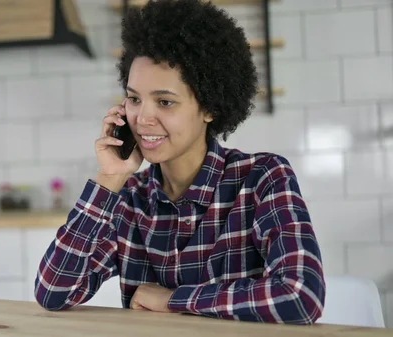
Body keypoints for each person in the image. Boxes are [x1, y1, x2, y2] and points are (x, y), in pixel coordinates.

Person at [34, 0, 326, 324]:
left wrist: (173, 300)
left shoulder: (263, 178)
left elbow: (301, 297)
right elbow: (53, 292)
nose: (142, 117)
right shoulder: (129, 199)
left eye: (165, 101)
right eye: (133, 98)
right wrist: (109, 178)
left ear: (209, 107)